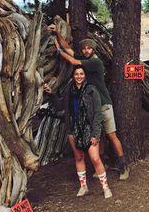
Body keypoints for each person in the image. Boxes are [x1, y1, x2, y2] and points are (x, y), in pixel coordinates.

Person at [48, 25, 130, 180]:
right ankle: (103, 163)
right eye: (84, 48)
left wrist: (58, 50)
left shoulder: (95, 62)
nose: (86, 50)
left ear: (93, 49)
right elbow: (69, 49)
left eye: (88, 48)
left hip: (104, 105)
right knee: (98, 137)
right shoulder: (84, 61)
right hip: (92, 108)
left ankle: (123, 166)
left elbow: (71, 59)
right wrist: (57, 33)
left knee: (111, 135)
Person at [44, 66, 112, 198]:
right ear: (73, 76)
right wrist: (51, 93)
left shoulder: (92, 90)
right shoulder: (69, 90)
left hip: (90, 129)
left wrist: (95, 134)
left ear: (85, 75)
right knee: (79, 157)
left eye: (81, 74)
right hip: (73, 129)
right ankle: (83, 187)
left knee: (95, 158)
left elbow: (98, 113)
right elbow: (60, 106)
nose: (79, 76)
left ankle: (105, 187)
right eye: (76, 74)